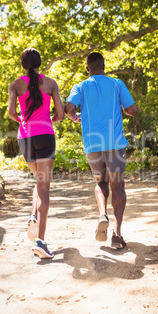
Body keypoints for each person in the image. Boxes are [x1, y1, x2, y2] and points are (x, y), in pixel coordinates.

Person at [64, 52, 136, 249]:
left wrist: (75, 117)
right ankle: (117, 235)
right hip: (115, 143)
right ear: (104, 66)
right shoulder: (116, 84)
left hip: (92, 145)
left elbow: (68, 108)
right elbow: (132, 110)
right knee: (118, 188)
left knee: (100, 182)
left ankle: (102, 214)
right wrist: (121, 107)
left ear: (88, 69)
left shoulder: (81, 86)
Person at [8, 48, 64, 259]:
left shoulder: (15, 85)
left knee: (38, 181)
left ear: (23, 64)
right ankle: (40, 241)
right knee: (44, 188)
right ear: (40, 62)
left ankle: (33, 214)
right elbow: (59, 114)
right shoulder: (50, 83)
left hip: (25, 137)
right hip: (45, 136)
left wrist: (24, 121)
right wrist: (49, 120)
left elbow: (12, 113)